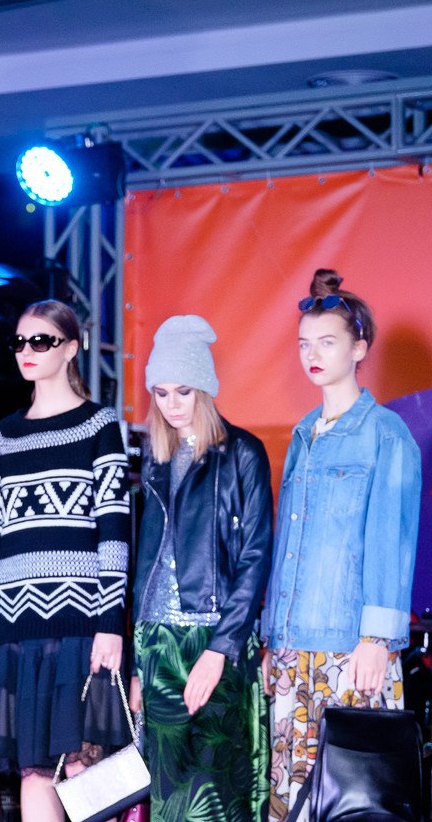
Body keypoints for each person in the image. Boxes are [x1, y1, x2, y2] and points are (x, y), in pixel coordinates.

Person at [261, 269, 421, 821]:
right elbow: (288, 547)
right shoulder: (303, 433)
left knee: (353, 803)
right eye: (304, 344)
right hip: (293, 649)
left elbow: (391, 541)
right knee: (292, 802)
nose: (312, 354)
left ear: (359, 347)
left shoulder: (386, 433)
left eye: (326, 342)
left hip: (350, 651)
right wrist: (272, 638)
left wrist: (376, 639)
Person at [0, 299, 133, 822]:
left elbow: (115, 530)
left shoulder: (98, 425)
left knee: (83, 764)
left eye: (41, 341)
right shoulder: (5, 435)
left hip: (81, 626)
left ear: (71, 349)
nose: (28, 351)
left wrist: (110, 623)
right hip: (17, 629)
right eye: (20, 341)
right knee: (32, 770)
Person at [130, 315, 272, 822]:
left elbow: (256, 556)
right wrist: (136, 664)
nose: (171, 404)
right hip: (156, 642)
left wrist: (220, 648)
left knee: (216, 794)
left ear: (205, 389)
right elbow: (145, 560)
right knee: (168, 797)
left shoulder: (243, 453)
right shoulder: (155, 458)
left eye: (183, 391)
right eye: (161, 392)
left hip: (214, 638)